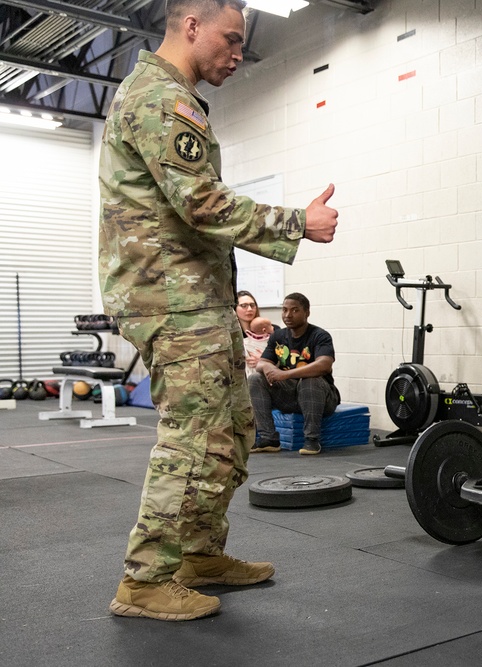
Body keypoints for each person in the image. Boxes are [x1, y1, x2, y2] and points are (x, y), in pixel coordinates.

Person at [98, 0, 339, 622]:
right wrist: (296, 224)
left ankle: (199, 555)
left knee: (230, 431)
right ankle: (146, 579)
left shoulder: (177, 99)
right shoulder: (158, 97)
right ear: (191, 25)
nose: (238, 55)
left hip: (199, 300)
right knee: (191, 439)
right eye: (231, 41)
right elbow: (201, 203)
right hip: (172, 302)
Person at [248, 293, 340, 456]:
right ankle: (268, 438)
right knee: (255, 378)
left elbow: (324, 365)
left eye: (295, 310)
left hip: (321, 397)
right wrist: (269, 368)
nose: (288, 315)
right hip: (291, 395)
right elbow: (262, 363)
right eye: (284, 310)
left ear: (307, 312)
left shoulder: (319, 335)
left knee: (309, 381)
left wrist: (286, 374)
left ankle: (312, 440)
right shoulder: (278, 336)